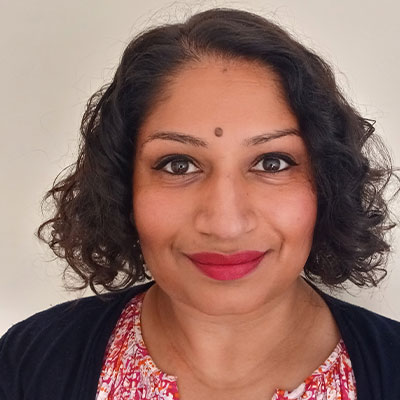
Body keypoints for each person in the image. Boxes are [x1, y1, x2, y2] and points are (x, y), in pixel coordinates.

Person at [1, 7, 399, 400]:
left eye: (271, 163)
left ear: (328, 183)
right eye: (178, 165)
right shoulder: (28, 364)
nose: (225, 224)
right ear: (122, 186)